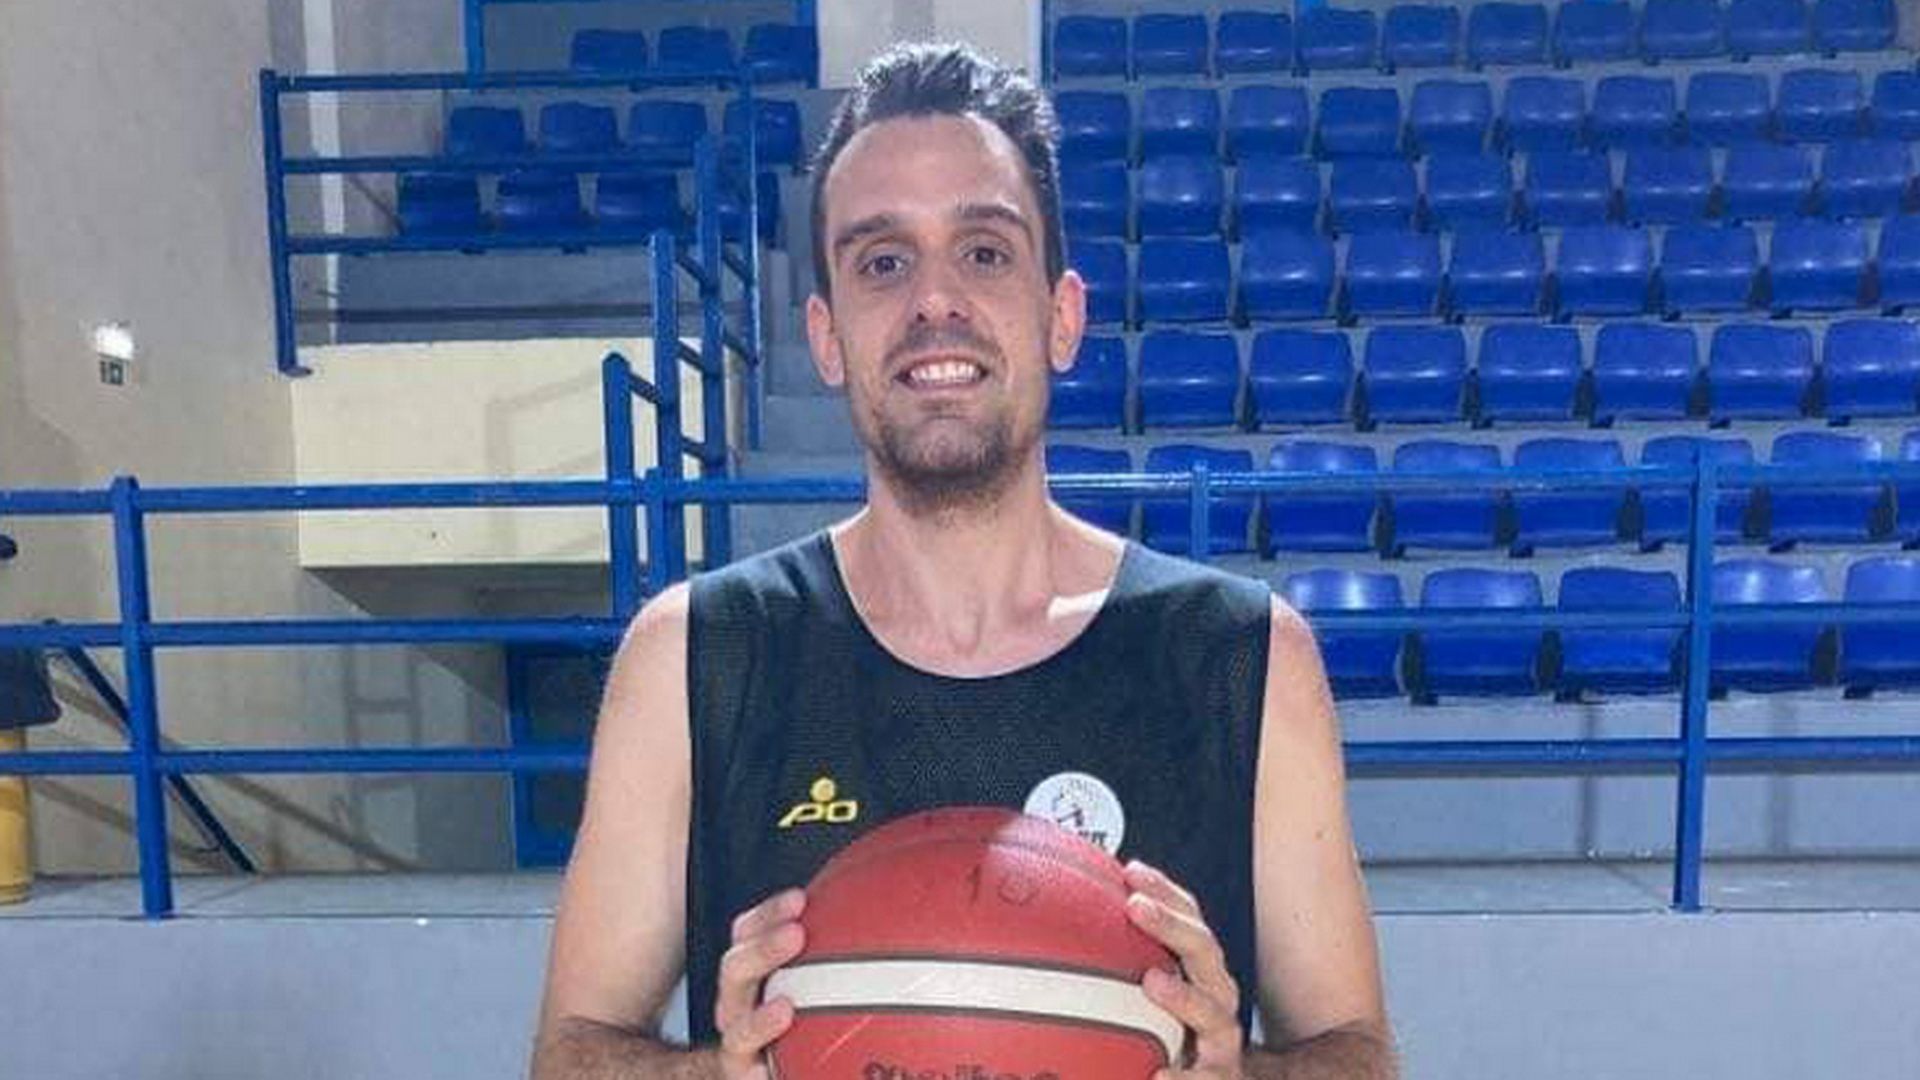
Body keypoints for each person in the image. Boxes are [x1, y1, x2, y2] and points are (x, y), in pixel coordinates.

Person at [531, 42, 1396, 1080]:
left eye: (984, 252)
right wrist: (707, 1075)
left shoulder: (1242, 657)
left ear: (1061, 316)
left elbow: (1360, 1059)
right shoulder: (694, 656)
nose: (934, 301)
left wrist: (1236, 1074)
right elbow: (567, 1057)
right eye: (882, 261)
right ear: (827, 337)